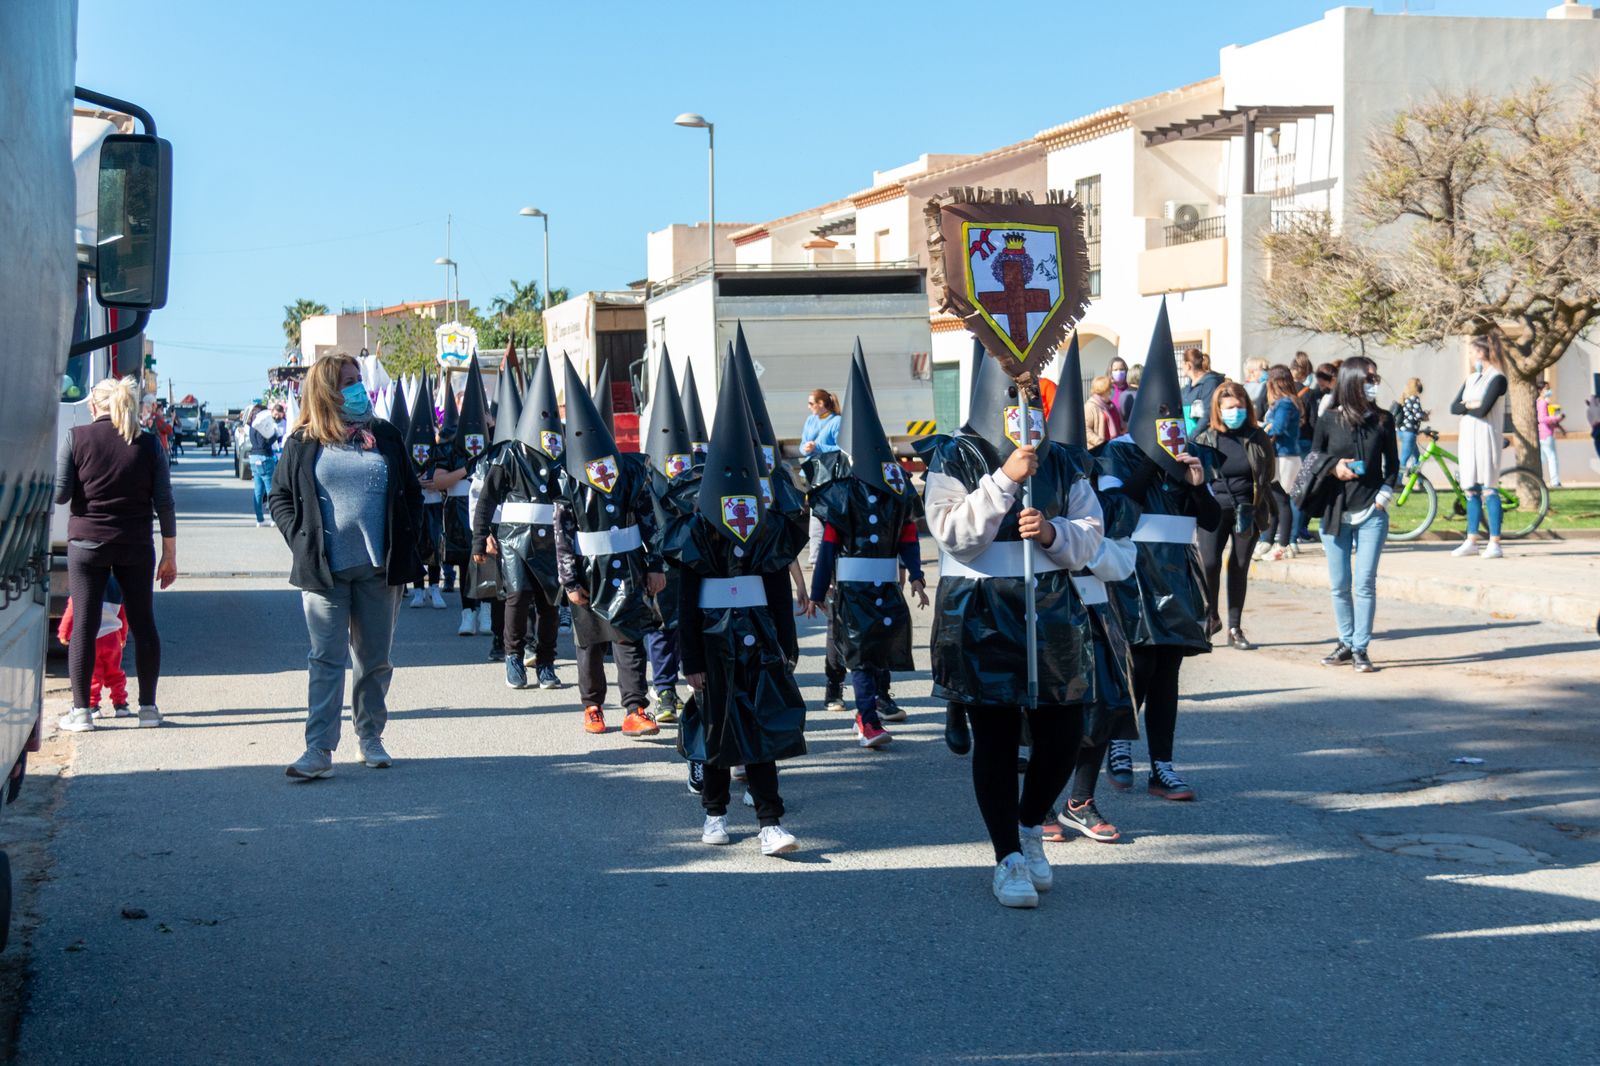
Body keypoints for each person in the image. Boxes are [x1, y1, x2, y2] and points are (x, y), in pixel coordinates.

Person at [921, 341, 1103, 909]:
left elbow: (1091, 535)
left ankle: (1029, 824)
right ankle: (1008, 856)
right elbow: (952, 534)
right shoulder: (953, 455)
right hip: (980, 612)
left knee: (1065, 732)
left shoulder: (1066, 459)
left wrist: (1051, 534)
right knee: (996, 738)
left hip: (1051, 611)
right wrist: (1002, 481)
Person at [666, 352, 808, 856]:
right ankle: (714, 812)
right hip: (711, 639)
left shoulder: (764, 521)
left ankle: (771, 819)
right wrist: (692, 661)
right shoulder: (698, 528)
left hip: (759, 638)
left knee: (762, 723)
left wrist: (785, 643)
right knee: (716, 726)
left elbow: (774, 585)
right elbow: (686, 598)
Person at [268, 352, 424, 779]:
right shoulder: (303, 442)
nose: (357, 387)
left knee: (374, 659)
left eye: (358, 379)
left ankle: (370, 736)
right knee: (326, 659)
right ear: (326, 392)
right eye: (347, 381)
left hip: (379, 568)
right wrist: (300, 540)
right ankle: (318, 749)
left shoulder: (386, 435)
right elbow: (279, 497)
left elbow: (411, 493)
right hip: (324, 571)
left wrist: (414, 544)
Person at [1099, 301, 1221, 804]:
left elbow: (1213, 521)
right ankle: (1118, 745)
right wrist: (1153, 460)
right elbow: (1114, 511)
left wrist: (1194, 483)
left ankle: (1164, 765)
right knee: (1138, 666)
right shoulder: (1115, 453)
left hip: (1178, 576)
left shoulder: (1193, 455)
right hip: (1132, 575)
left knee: (1168, 671)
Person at [1040, 334, 1139, 846]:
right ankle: (1038, 803)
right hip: (1041, 613)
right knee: (1045, 712)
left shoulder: (1109, 484)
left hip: (1095, 607)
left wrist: (1084, 549)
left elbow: (1124, 557)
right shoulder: (1034, 481)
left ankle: (1080, 799)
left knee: (1100, 707)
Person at [804, 341, 927, 749]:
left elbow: (908, 537)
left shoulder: (896, 496)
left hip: (886, 587)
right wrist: (819, 592)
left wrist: (919, 577)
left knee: (879, 650)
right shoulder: (841, 497)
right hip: (853, 590)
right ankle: (866, 717)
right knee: (859, 651)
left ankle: (874, 704)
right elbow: (828, 550)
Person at [53, 377, 175, 733]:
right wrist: (170, 555)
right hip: (136, 546)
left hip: (86, 546)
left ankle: (82, 713)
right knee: (143, 625)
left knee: (85, 627)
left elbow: (61, 496)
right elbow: (164, 504)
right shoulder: (150, 445)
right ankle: (148, 709)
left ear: (94, 406)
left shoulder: (76, 438)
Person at [553, 355, 665, 738]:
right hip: (587, 571)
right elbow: (563, 535)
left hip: (630, 567)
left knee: (629, 635)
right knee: (590, 641)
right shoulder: (567, 482)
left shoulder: (631, 471)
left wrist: (656, 565)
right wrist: (570, 581)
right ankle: (593, 705)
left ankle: (635, 708)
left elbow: (648, 519)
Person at [474, 352, 565, 690]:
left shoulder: (561, 455)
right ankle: (514, 657)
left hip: (552, 540)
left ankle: (546, 662)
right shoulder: (510, 455)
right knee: (518, 597)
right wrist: (480, 539)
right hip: (514, 539)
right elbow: (488, 499)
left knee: (549, 602)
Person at [1310, 357, 1399, 673]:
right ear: (1351, 381)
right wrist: (1334, 467)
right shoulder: (1328, 419)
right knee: (1339, 583)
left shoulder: (1384, 420)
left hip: (1371, 511)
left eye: (1375, 378)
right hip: (1335, 511)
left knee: (1364, 583)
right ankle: (1345, 642)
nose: (1374, 383)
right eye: (1368, 378)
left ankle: (1361, 647)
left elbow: (1393, 465)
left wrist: (1385, 495)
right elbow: (1313, 459)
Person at [1192, 382, 1275, 649]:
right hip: (1213, 508)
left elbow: (1267, 473)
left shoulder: (1256, 436)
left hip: (1247, 510)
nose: (1235, 411)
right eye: (1230, 407)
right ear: (1218, 409)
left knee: (1239, 566)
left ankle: (1235, 627)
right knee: (1210, 564)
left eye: (1240, 406)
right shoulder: (1205, 437)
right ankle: (1210, 617)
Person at [636, 347, 695, 721]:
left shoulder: (698, 477)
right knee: (661, 627)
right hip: (662, 563)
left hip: (693, 560)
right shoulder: (646, 479)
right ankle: (665, 690)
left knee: (690, 624)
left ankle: (693, 682)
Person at [1449, 335, 1509, 560]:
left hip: (1487, 437)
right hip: (1467, 438)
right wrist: (1469, 405)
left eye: (1473, 351)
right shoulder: (1471, 378)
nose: (1472, 356)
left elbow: (1483, 410)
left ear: (1482, 353)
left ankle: (1494, 541)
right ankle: (1471, 539)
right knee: (1470, 490)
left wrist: (1469, 406)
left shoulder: (1498, 379)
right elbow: (1454, 407)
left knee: (1489, 488)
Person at [403, 375, 449, 610]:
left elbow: (443, 468)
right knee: (417, 545)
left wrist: (435, 481)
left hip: (433, 503)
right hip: (416, 503)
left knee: (435, 545)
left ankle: (434, 588)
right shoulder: (407, 446)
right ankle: (418, 590)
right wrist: (415, 481)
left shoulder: (437, 446)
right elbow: (404, 471)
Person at [57, 574, 129, 719]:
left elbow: (71, 612)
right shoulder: (116, 586)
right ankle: (120, 704)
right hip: (112, 637)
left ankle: (92, 706)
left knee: (92, 674)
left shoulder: (84, 582)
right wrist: (123, 635)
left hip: (92, 637)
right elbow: (123, 615)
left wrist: (64, 632)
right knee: (115, 672)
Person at [1260, 365, 1305, 560]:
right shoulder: (1285, 402)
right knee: (1275, 500)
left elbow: (1277, 428)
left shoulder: (1285, 403)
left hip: (1284, 457)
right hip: (1282, 456)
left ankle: (1283, 544)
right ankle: (1270, 541)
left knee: (1281, 500)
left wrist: (1261, 431)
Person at [248, 402, 284, 527]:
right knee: (270, 490)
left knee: (258, 490)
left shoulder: (252, 426)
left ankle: (259, 519)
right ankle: (274, 518)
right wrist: (275, 436)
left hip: (253, 458)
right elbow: (264, 444)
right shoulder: (262, 427)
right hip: (264, 457)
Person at [1180, 347, 1225, 437]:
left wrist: (1192, 437)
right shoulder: (1187, 388)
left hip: (1201, 439)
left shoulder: (1210, 383)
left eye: (1182, 364)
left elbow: (1208, 414)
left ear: (1188, 365)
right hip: (1187, 438)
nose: (1181, 367)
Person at [1537, 379, 1564, 487]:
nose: (1549, 391)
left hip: (1541, 434)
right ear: (1540, 390)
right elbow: (1542, 418)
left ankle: (1539, 480)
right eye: (1546, 389)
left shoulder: (1538, 402)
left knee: (1543, 458)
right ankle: (1555, 481)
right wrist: (1556, 418)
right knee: (1552, 458)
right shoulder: (1543, 403)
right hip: (1546, 433)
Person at [1083, 374, 1123, 449]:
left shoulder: (1110, 405)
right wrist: (1100, 442)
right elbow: (1085, 430)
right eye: (1110, 388)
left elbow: (1118, 423)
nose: (1112, 390)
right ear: (1104, 389)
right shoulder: (1090, 406)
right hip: (1099, 452)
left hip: (1114, 448)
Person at [1395, 377, 1426, 470]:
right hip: (1409, 433)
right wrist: (1425, 416)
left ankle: (1420, 481)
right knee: (1404, 459)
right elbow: (1418, 415)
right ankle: (1398, 481)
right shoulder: (1414, 398)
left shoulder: (1405, 398)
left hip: (1401, 431)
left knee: (1417, 457)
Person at [1108, 356, 1134, 421]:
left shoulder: (1131, 389)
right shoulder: (1107, 390)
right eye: (1115, 370)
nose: (1119, 372)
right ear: (1111, 372)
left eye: (1121, 369)